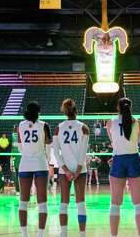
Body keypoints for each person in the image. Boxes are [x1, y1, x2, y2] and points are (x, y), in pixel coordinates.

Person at [107, 97, 140, 237]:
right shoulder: (139, 123)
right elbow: (135, 139)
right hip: (133, 159)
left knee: (115, 203)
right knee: (139, 203)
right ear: (131, 107)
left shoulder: (110, 122)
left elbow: (114, 141)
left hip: (118, 160)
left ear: (118, 108)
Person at [53, 98, 89, 237]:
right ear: (76, 111)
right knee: (81, 202)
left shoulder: (58, 128)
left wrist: (66, 170)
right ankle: (82, 234)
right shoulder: (83, 127)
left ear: (65, 112)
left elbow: (56, 152)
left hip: (64, 170)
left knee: (64, 202)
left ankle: (63, 234)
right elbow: (83, 151)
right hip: (81, 169)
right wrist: (78, 169)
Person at [15, 101, 52, 237]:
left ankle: (24, 234)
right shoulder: (44, 125)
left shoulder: (21, 125)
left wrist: (27, 152)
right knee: (42, 202)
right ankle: (40, 234)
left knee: (23, 201)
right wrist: (45, 158)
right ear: (38, 111)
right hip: (41, 163)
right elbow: (49, 145)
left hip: (25, 163)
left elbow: (19, 146)